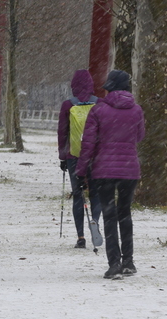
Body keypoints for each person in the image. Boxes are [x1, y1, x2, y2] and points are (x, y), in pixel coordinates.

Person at [76, 69, 145, 280]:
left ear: (110, 88)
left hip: (104, 170)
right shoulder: (137, 110)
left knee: (109, 215)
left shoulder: (98, 110)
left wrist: (81, 171)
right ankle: (129, 262)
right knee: (125, 214)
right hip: (129, 169)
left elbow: (88, 144)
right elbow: (140, 136)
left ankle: (114, 263)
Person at [57, 69, 102, 248]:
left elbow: (62, 132)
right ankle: (95, 222)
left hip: (73, 155)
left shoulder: (68, 105)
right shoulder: (100, 104)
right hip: (96, 156)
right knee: (96, 193)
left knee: (78, 195)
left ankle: (80, 237)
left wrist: (62, 156)